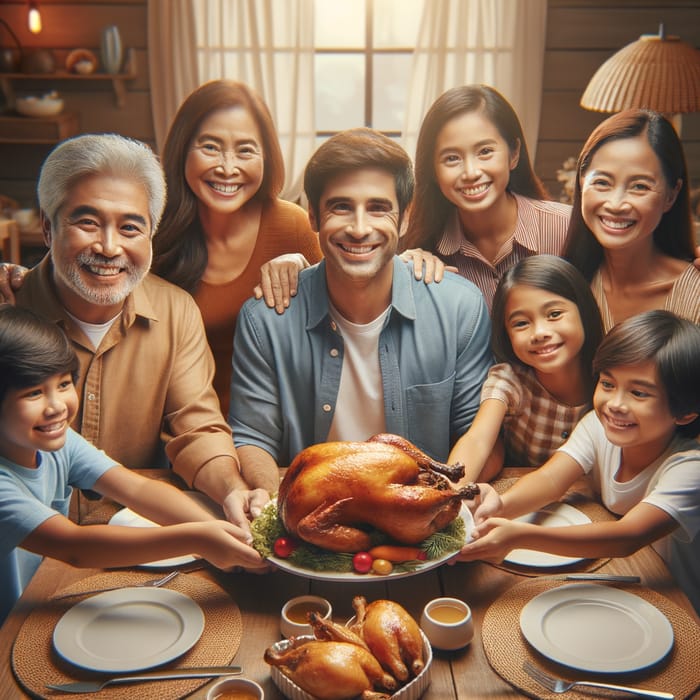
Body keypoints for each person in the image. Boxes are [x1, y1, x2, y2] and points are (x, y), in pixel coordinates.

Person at [12, 133, 265, 531]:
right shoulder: (10, 309)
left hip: (137, 535)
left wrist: (231, 490)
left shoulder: (176, 311)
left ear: (151, 235)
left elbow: (196, 429)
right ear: (47, 227)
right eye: (88, 223)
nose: (109, 247)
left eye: (130, 228)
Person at [229, 128, 494, 495]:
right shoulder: (265, 320)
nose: (359, 228)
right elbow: (253, 436)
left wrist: (443, 499)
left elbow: (477, 435)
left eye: (378, 208)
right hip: (310, 516)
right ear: (313, 217)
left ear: (404, 219)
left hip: (421, 518)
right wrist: (274, 505)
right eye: (340, 206)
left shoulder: (460, 309)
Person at [0, 305, 265, 623]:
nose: (57, 406)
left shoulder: (57, 442)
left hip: (36, 598)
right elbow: (75, 547)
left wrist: (234, 535)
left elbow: (135, 488)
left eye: (64, 384)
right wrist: (200, 539)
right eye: (33, 393)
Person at [458, 310, 700, 614]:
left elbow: (628, 537)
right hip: (629, 581)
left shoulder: (690, 468)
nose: (615, 404)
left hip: (679, 602)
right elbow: (550, 480)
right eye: (608, 384)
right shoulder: (598, 426)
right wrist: (501, 506)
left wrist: (519, 536)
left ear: (685, 412)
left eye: (638, 393)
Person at [151, 80, 323, 413]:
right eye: (210, 147)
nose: (228, 168)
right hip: (173, 427)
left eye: (245, 150)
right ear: (182, 149)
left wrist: (307, 271)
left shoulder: (293, 226)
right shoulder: (152, 229)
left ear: (266, 156)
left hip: (273, 429)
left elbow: (342, 324)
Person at [399, 84, 572, 311]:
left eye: (485, 152)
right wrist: (401, 272)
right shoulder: (420, 246)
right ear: (433, 170)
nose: (471, 172)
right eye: (452, 158)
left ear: (514, 153)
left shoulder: (567, 227)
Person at [451, 255, 603, 483]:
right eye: (521, 323)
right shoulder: (509, 380)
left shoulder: (610, 376)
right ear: (506, 333)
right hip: (519, 497)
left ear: (583, 310)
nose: (540, 332)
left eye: (554, 314)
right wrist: (449, 495)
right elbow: (477, 440)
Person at [563, 108, 700, 331]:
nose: (616, 204)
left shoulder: (695, 294)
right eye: (602, 182)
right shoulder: (566, 288)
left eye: (639, 186)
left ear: (671, 195)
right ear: (580, 180)